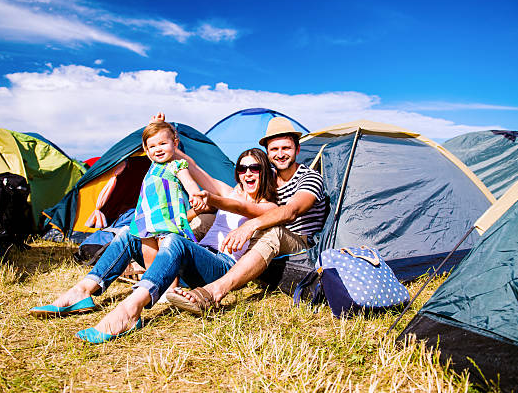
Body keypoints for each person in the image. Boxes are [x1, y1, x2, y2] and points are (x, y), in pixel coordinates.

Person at [29, 145, 278, 343]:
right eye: (242, 168)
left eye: (254, 168)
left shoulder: (269, 207)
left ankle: (130, 311)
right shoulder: (229, 191)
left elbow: (242, 207)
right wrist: (169, 142)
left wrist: (209, 198)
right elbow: (193, 167)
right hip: (198, 256)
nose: (247, 173)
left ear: (264, 171)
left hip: (220, 267)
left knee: (175, 241)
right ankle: (83, 291)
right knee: (130, 232)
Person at [167, 116, 327, 312]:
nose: (280, 154)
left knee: (273, 230)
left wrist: (250, 225)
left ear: (297, 149)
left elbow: (291, 211)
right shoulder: (266, 176)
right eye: (274, 149)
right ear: (267, 154)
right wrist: (168, 143)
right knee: (208, 218)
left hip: (299, 242)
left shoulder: (309, 178)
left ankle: (213, 292)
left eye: (286, 148)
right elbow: (230, 197)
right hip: (263, 235)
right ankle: (171, 263)